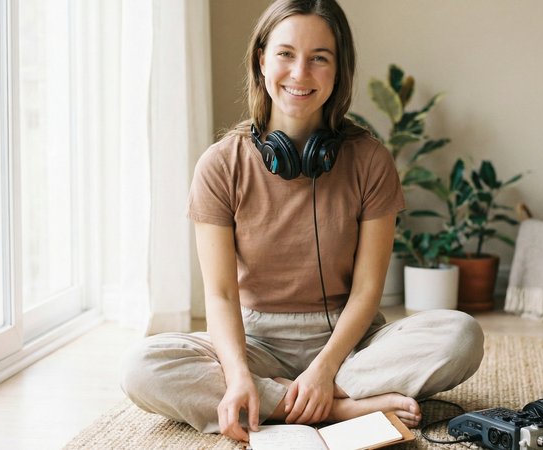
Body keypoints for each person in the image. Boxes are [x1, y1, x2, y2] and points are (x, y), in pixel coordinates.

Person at [120, 0, 483, 443]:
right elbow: (219, 293)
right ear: (262, 60)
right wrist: (237, 375)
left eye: (319, 59)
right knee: (142, 368)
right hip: (256, 341)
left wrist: (325, 367)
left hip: (349, 343)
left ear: (338, 70)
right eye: (286, 54)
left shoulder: (369, 159)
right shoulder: (220, 165)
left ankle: (278, 404)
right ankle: (339, 410)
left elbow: (369, 289)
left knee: (461, 335)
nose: (299, 73)